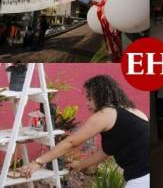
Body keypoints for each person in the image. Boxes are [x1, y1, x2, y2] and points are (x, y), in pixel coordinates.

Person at [20, 75, 150, 188]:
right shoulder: (135, 112)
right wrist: (81, 164)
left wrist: (38, 162)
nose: (87, 103)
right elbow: (107, 151)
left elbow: (71, 142)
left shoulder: (106, 113)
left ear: (101, 96)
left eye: (89, 98)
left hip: (142, 177)